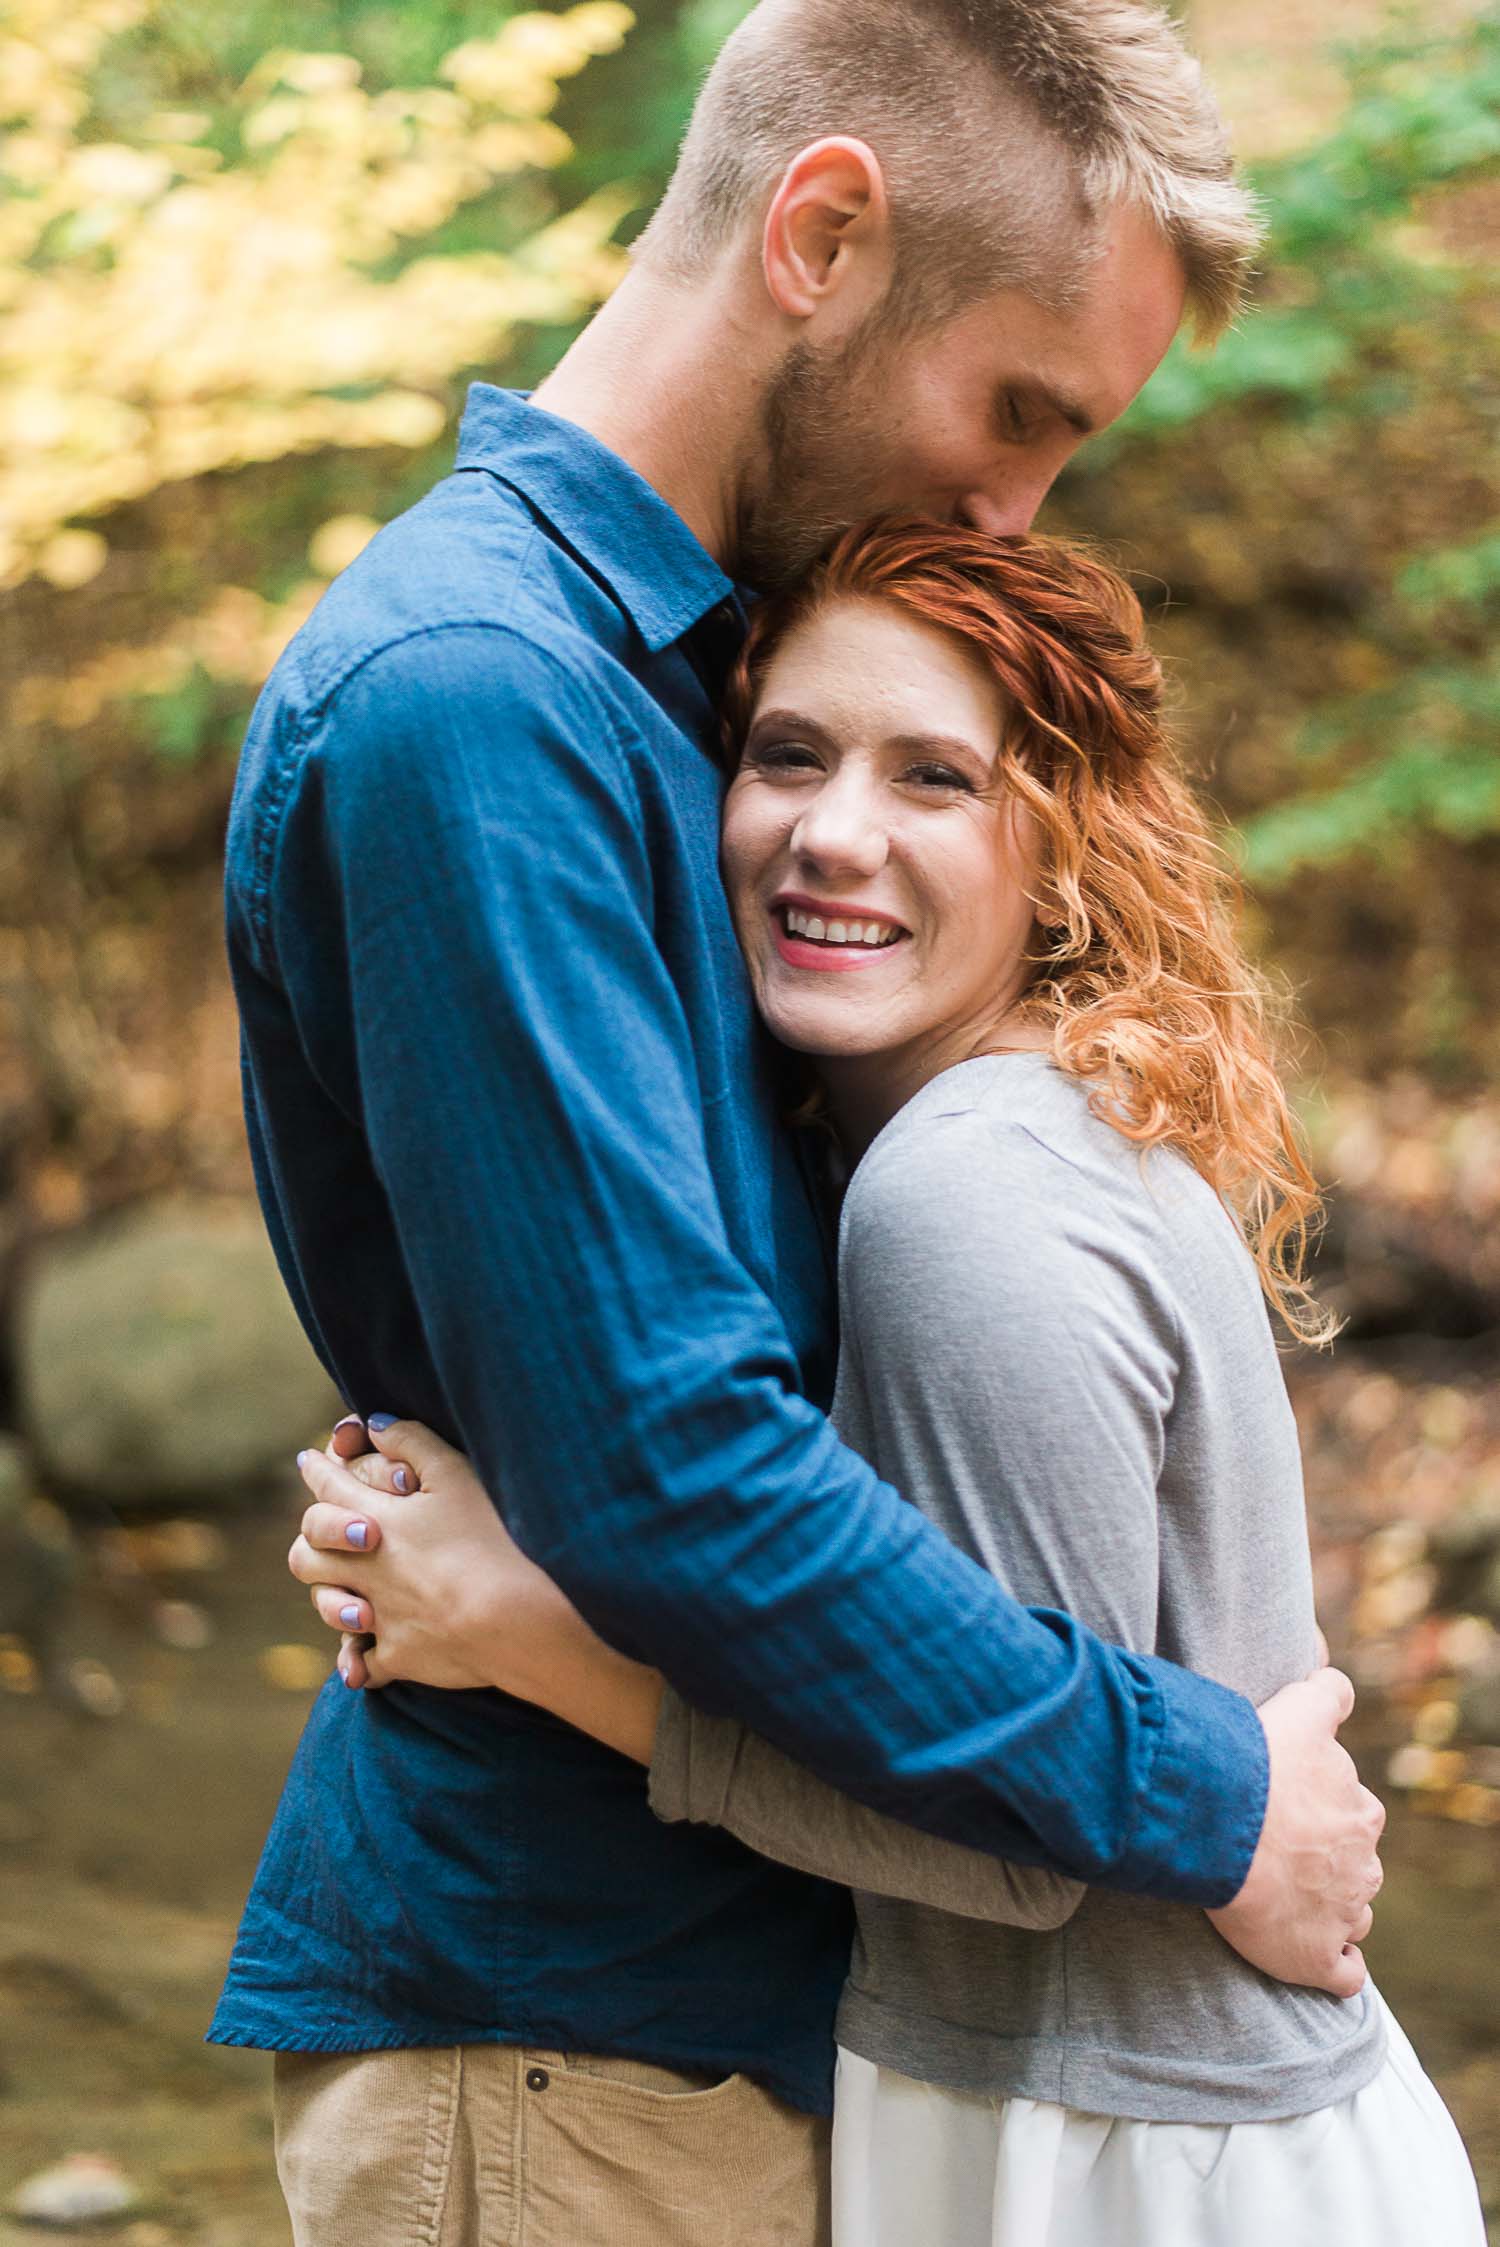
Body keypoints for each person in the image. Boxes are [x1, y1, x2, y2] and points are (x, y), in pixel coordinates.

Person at [215, 2, 1383, 2240]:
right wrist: (1217, 1784)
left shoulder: (697, 692)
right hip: (560, 2038)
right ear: (823, 232)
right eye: (1020, 412)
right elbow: (674, 1471)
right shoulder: (483, 702)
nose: (1018, 511)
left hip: (738, 2006)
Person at [290, 522, 1483, 2246]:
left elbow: (1018, 1835)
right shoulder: (1000, 1136)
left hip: (1130, 2154)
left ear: (1063, 853)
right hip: (1125, 2109)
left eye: (937, 777)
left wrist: (522, 1635)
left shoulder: (965, 1194)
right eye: (789, 756)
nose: (832, 832)